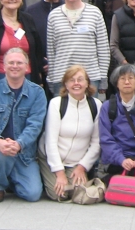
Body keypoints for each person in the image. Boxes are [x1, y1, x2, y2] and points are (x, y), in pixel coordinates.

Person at [0, 47, 48, 202]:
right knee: (3, 154)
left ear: (27, 67)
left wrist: (19, 144)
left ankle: (10, 178)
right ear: (3, 66)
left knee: (33, 194)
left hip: (23, 153)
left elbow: (35, 125)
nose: (15, 66)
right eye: (11, 62)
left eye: (19, 63)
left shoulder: (37, 93)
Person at [39, 65, 103, 201]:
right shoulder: (56, 104)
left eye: (80, 80)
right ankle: (41, 172)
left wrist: (82, 167)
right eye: (71, 80)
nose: (76, 84)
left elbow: (96, 143)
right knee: (59, 194)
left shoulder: (96, 105)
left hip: (76, 162)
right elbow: (51, 141)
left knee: (79, 192)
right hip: (51, 157)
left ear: (87, 83)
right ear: (66, 85)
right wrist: (59, 173)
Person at [46, 0, 110, 96]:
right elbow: (51, 52)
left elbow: (103, 49)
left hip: (90, 78)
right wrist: (52, 79)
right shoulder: (53, 16)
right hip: (61, 78)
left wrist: (103, 79)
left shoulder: (95, 13)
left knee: (89, 115)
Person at [27, 0, 63, 81]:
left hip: (64, 69)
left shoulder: (68, 10)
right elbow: (28, 41)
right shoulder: (30, 12)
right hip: (38, 70)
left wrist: (55, 63)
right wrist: (41, 62)